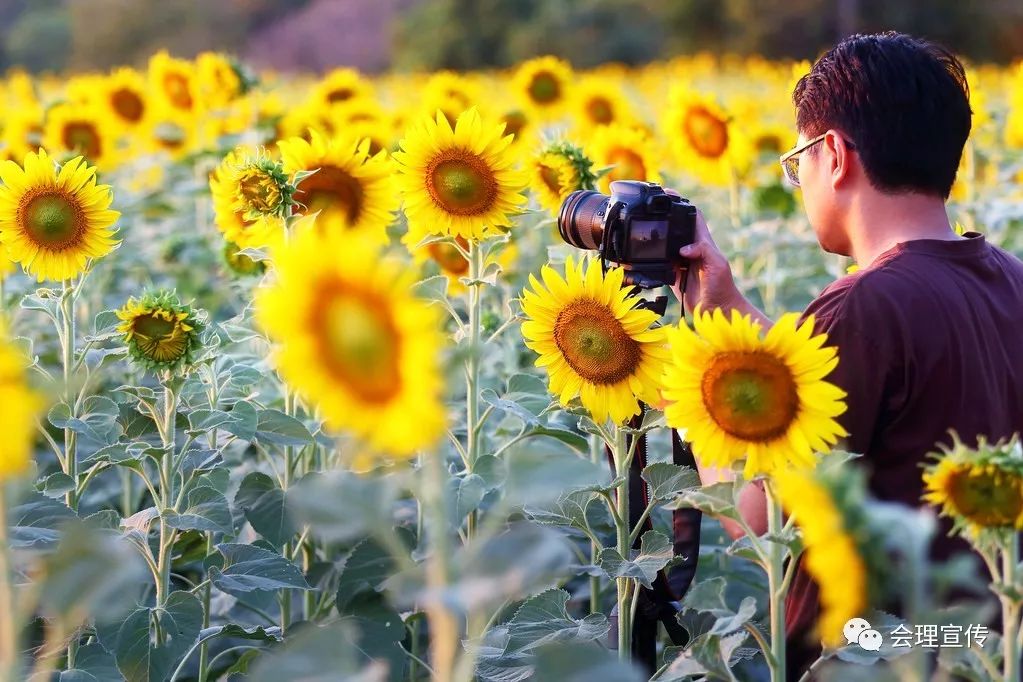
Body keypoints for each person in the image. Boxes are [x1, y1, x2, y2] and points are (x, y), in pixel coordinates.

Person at [668, 31, 1023, 678]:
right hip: (979, 647)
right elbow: (858, 378)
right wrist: (726, 308)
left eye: (796, 158)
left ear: (832, 154)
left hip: (871, 654)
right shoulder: (1006, 276)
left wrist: (699, 395)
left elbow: (755, 522)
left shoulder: (861, 308)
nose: (797, 178)